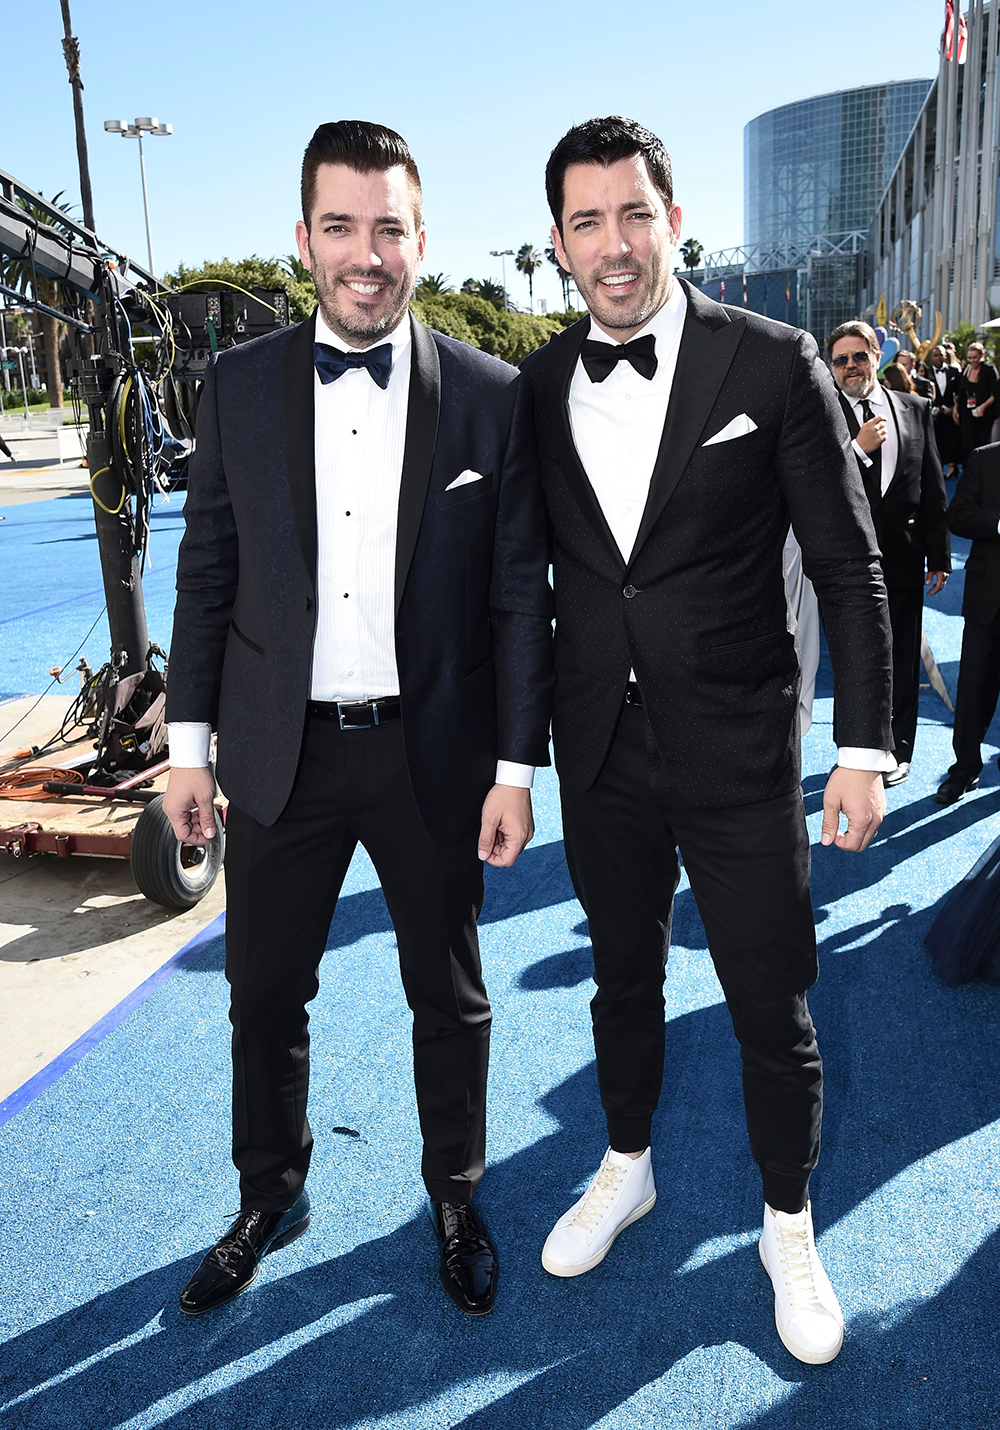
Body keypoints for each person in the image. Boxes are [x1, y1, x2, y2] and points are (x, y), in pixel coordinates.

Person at [516, 115, 894, 1367]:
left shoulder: (773, 363)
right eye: (586, 222)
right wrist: (517, 765)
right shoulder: (536, 387)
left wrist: (861, 749)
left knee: (769, 999)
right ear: (560, 242)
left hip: (738, 750)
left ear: (673, 219)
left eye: (634, 214)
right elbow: (530, 587)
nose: (613, 245)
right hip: (602, 756)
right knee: (621, 977)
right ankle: (627, 1165)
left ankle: (786, 1220)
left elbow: (850, 567)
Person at [163, 120, 553, 1319]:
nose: (366, 253)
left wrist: (512, 768)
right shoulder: (234, 385)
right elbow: (208, 566)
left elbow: (514, 596)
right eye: (342, 226)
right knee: (264, 990)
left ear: (420, 238)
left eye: (390, 228)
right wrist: (185, 745)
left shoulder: (491, 396)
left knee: (452, 995)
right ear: (303, 240)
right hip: (277, 749)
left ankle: (454, 1191)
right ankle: (270, 1191)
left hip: (431, 749)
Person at [828, 321, 950, 784]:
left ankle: (898, 749)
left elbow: (932, 487)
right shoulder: (821, 412)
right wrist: (858, 449)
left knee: (901, 653)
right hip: (844, 559)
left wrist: (938, 555)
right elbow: (816, 482)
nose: (850, 366)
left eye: (859, 356)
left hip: (902, 553)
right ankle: (855, 750)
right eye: (840, 360)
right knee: (853, 656)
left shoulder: (916, 409)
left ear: (876, 355)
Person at [936, 441, 1000, 804]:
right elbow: (958, 514)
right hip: (988, 598)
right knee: (975, 685)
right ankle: (964, 769)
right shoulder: (985, 458)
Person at [954, 341, 998, 462]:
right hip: (967, 413)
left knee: (981, 445)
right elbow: (961, 392)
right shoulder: (966, 370)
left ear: (981, 356)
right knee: (967, 445)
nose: (972, 360)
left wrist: (983, 407)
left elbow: (995, 394)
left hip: (984, 415)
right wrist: (956, 408)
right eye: (969, 358)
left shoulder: (988, 370)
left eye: (975, 357)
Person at [929, 344, 961, 476]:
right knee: (935, 443)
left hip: (949, 414)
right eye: (935, 355)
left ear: (945, 356)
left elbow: (960, 392)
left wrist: (954, 407)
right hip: (933, 415)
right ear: (931, 357)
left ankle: (951, 468)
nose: (938, 358)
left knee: (950, 440)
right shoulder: (926, 372)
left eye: (941, 355)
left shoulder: (954, 371)